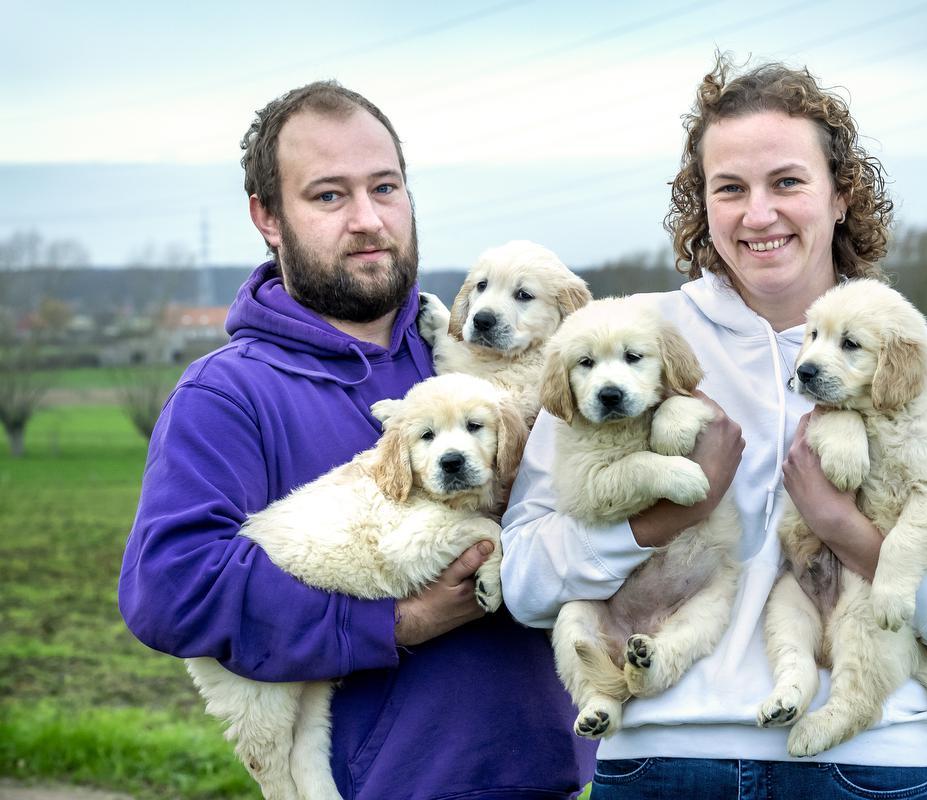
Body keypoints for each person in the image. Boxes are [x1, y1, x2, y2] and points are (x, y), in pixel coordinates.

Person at [500, 57, 927, 798]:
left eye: (787, 182)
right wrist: (661, 520)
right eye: (730, 188)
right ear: (702, 205)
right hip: (660, 762)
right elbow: (523, 578)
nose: (758, 214)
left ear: (842, 195)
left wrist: (848, 532)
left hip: (865, 766)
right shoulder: (625, 347)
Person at [118, 81, 592, 800]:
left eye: (385, 187)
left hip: (550, 777)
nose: (369, 219)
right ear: (268, 217)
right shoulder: (228, 395)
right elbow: (172, 589)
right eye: (329, 196)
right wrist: (393, 623)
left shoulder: (477, 356)